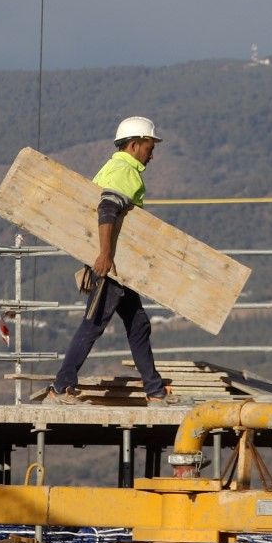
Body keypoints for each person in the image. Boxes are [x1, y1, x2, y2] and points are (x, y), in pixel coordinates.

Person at [51, 116, 173, 404]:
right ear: (133, 144)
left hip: (120, 265)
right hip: (113, 265)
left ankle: (154, 391)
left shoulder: (118, 167)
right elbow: (107, 209)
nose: (152, 153)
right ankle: (62, 385)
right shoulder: (123, 171)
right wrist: (105, 256)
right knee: (93, 323)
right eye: (149, 145)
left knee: (138, 323)